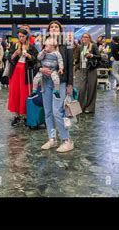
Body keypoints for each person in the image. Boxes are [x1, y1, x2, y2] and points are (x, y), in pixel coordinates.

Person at [40, 21, 74, 153]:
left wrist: (70, 83)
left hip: (60, 82)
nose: (54, 29)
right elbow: (37, 61)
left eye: (56, 27)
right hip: (45, 81)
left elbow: (70, 65)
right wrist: (40, 68)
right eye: (51, 27)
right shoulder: (44, 44)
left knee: (57, 112)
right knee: (47, 112)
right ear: (48, 30)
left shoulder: (66, 45)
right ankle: (52, 138)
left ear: (60, 30)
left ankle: (67, 140)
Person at [8, 29, 38, 125]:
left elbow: (36, 59)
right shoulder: (14, 45)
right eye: (19, 36)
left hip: (26, 72)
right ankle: (16, 115)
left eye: (22, 36)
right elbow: (8, 57)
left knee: (25, 93)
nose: (21, 38)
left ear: (26, 37)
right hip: (15, 71)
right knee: (15, 92)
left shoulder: (31, 47)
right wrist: (15, 54)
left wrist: (28, 55)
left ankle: (25, 115)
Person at [74, 33, 101, 114]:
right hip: (82, 69)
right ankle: (80, 107)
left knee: (91, 88)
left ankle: (90, 108)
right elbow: (78, 58)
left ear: (89, 38)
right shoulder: (80, 47)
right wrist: (76, 65)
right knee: (81, 89)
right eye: (83, 37)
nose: (84, 38)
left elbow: (99, 57)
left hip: (91, 69)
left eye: (86, 37)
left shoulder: (93, 46)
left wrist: (92, 55)